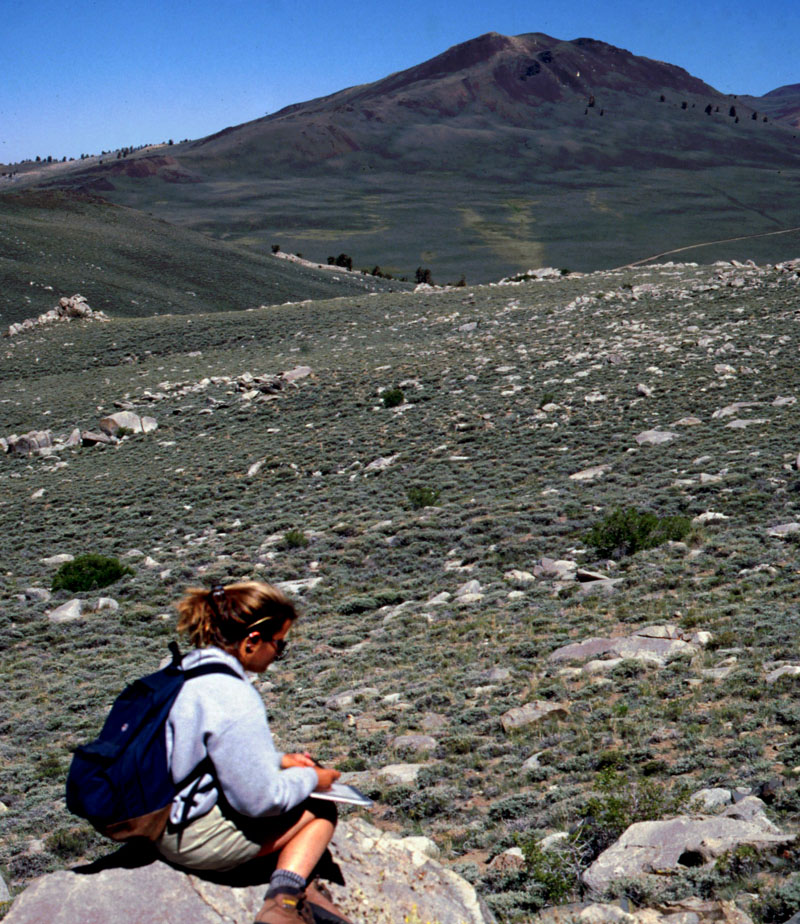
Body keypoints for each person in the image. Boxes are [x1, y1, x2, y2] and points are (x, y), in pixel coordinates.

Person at [156, 581, 353, 924]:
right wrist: (312, 778)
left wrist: (279, 761)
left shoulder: (183, 671)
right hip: (190, 840)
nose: (279, 654)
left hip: (159, 820)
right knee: (321, 809)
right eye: (279, 645)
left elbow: (200, 751)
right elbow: (259, 802)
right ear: (252, 641)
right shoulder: (234, 695)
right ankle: (282, 903)